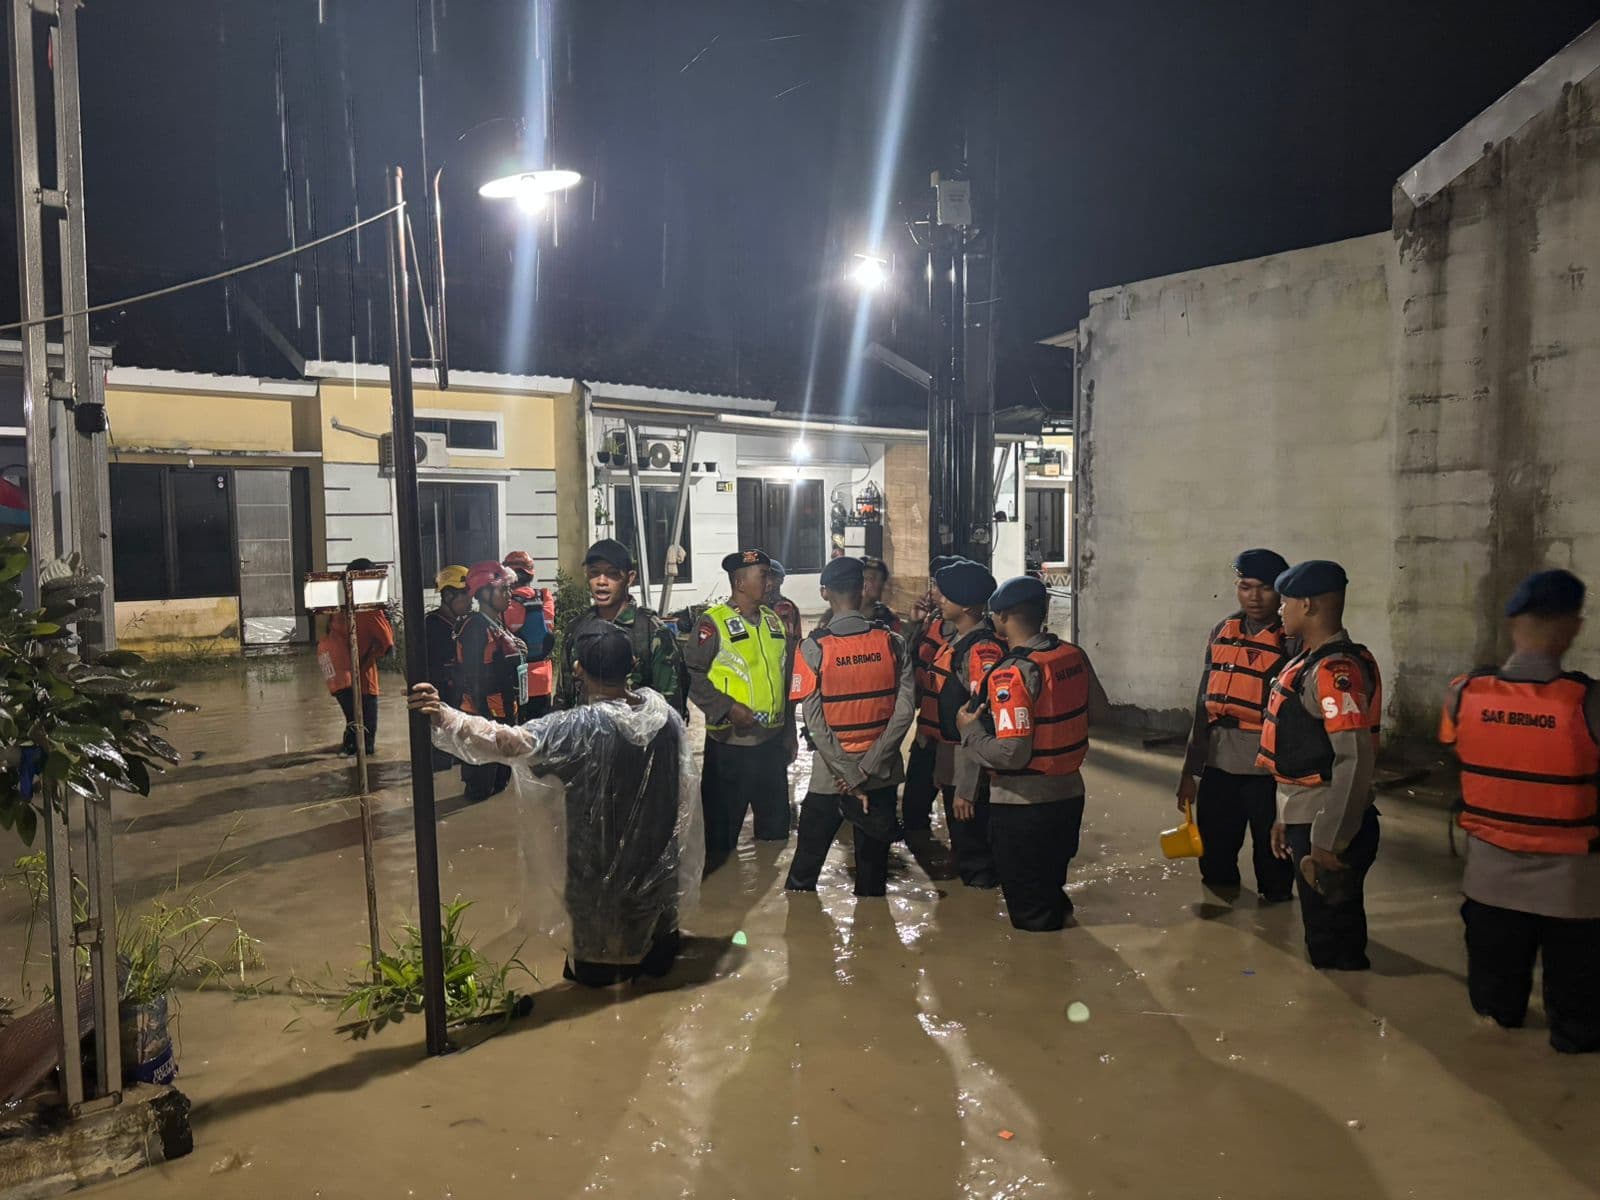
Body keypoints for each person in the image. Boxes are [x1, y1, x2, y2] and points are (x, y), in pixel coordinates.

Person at [410, 622, 702, 987]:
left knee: (596, 988)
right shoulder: (663, 715)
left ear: (578, 669)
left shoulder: (578, 728)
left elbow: (506, 742)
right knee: (656, 977)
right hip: (658, 879)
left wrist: (443, 715)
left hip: (597, 885)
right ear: (633, 664)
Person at [1439, 568, 1600, 1053]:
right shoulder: (1589, 701)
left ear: (1513, 623)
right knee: (1578, 1028)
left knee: (1496, 1011)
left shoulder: (1464, 693)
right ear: (1573, 627)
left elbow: (1458, 753)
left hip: (1489, 881)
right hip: (1574, 890)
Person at [957, 575, 1110, 931]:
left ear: (1004, 616)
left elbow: (1012, 754)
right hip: (1069, 795)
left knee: (1031, 919)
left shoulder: (1011, 674)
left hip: (1024, 808)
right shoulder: (1072, 654)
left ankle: (1045, 981)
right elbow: (1102, 714)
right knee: (1051, 894)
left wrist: (970, 732)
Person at [1258, 560, 1383, 971]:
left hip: (1328, 822)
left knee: (1334, 949)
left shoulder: (1334, 671)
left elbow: (1354, 757)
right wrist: (1285, 816)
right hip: (1308, 814)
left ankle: (1347, 1025)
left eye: (1287, 601)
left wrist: (1327, 841)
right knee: (1325, 934)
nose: (1280, 609)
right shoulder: (1309, 661)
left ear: (1308, 605)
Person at [785, 557, 917, 896]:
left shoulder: (813, 648)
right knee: (873, 880)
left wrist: (849, 773)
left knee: (803, 876)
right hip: (881, 774)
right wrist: (869, 768)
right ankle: (873, 940)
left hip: (832, 778)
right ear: (862, 589)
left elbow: (812, 722)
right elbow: (904, 714)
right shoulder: (893, 643)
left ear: (825, 593)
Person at [1175, 548, 1297, 904]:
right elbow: (1203, 703)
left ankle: (1276, 928)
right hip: (1219, 765)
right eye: (1245, 587)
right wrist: (1189, 771)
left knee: (1274, 861)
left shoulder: (1292, 640)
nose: (1254, 597)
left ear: (1281, 592)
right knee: (1214, 858)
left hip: (1267, 770)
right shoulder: (1222, 631)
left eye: (1264, 588)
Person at [684, 548, 796, 874]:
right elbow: (691, 673)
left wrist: (789, 731)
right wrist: (727, 708)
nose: (770, 581)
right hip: (730, 750)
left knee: (774, 840)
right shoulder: (713, 623)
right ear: (740, 582)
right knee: (720, 843)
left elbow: (785, 680)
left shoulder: (775, 621)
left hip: (772, 750)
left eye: (770, 574)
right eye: (763, 575)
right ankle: (719, 909)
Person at [932, 559, 1008, 887]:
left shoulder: (981, 651)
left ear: (966, 605)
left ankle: (980, 916)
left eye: (946, 595)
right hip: (953, 755)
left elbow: (981, 719)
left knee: (976, 851)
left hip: (970, 763)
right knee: (964, 841)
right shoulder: (960, 641)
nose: (939, 599)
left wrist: (966, 787)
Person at [554, 538, 685, 715]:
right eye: (594, 573)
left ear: (630, 578)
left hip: (637, 739)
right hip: (585, 738)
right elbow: (563, 699)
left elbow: (670, 708)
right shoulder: (576, 630)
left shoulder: (651, 632)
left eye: (612, 574)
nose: (601, 581)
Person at [456, 560, 528, 802]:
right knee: (480, 788)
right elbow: (473, 678)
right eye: (503, 589)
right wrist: (484, 723)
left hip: (505, 716)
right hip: (485, 719)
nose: (510, 594)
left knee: (501, 783)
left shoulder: (499, 625)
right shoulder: (475, 628)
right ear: (484, 593)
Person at [903, 555, 961, 836]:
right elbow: (910, 664)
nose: (931, 591)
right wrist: (914, 624)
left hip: (955, 742)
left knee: (960, 818)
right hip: (927, 731)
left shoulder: (969, 634)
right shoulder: (932, 622)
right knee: (913, 812)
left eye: (937, 585)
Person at [318, 557, 396, 757]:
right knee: (366, 738)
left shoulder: (337, 604)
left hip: (334, 671)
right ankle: (363, 776)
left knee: (353, 722)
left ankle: (348, 756)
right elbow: (388, 645)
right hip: (360, 678)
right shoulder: (368, 608)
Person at [426, 565, 473, 771]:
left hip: (458, 699)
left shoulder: (462, 625)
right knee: (441, 762)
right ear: (448, 595)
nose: (471, 600)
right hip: (440, 699)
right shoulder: (432, 626)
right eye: (465, 595)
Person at [503, 550, 557, 720]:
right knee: (540, 732)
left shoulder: (505, 604)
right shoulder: (545, 598)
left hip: (516, 681)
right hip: (543, 679)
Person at [765, 559, 803, 645]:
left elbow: (796, 639)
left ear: (781, 580)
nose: (769, 582)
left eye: (773, 577)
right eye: (765, 577)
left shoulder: (789, 607)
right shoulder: (753, 606)